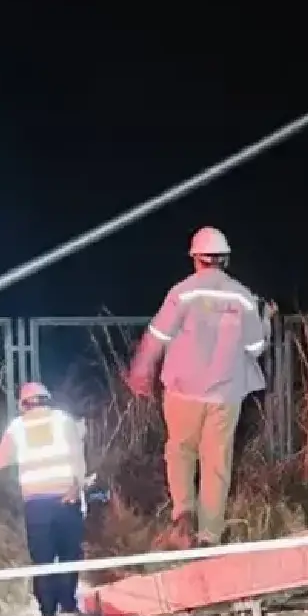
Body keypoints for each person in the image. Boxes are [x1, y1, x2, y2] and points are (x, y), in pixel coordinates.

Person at [126, 225, 274, 549]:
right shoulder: (243, 296)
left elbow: (157, 336)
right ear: (225, 259)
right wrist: (266, 320)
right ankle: (209, 535)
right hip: (225, 393)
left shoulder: (183, 292)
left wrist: (140, 370)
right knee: (217, 461)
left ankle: (183, 516)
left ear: (195, 258)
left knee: (180, 451)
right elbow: (255, 347)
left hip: (182, 390)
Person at [0, 381, 90, 616]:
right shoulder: (63, 420)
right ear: (47, 398)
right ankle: (68, 606)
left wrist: (20, 452)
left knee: (43, 557)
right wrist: (77, 486)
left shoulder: (17, 427)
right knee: (69, 554)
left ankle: (47, 612)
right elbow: (78, 456)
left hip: (37, 503)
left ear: (23, 404)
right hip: (67, 498)